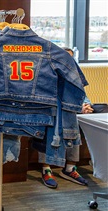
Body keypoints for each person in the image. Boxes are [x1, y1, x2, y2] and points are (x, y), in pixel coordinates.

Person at [40, 46, 93, 189]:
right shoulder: (49, 74)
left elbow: (83, 95)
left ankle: (70, 168)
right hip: (51, 111)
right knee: (50, 124)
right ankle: (46, 169)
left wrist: (85, 106)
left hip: (71, 112)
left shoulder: (74, 75)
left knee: (73, 122)